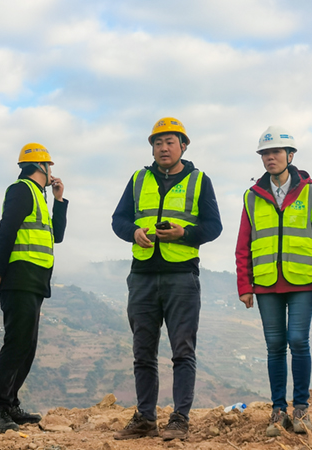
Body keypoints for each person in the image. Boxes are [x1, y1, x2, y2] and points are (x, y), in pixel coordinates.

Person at [111, 117, 222, 441]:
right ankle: (145, 419)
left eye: (169, 142)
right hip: (142, 276)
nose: (163, 148)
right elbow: (118, 219)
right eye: (157, 143)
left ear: (183, 146)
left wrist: (183, 234)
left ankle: (179, 420)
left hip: (181, 276)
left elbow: (214, 226)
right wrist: (133, 232)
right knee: (143, 352)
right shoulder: (138, 179)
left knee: (182, 351)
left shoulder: (200, 181)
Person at [235, 126, 312, 437]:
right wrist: (244, 286)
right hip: (266, 284)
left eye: (276, 152)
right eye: (265, 153)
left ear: (290, 156)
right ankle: (278, 410)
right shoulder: (252, 197)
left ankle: (301, 408)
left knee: (298, 341)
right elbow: (243, 246)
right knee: (275, 346)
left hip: (302, 282)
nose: (270, 158)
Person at [0, 143, 68, 433]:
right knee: (16, 343)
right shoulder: (21, 190)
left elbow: (57, 236)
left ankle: (11, 404)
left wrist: (59, 200)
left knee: (27, 346)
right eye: (50, 166)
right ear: (41, 166)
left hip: (35, 281)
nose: (52, 171)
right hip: (19, 279)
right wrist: (0, 271)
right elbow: (5, 231)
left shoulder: (39, 196)